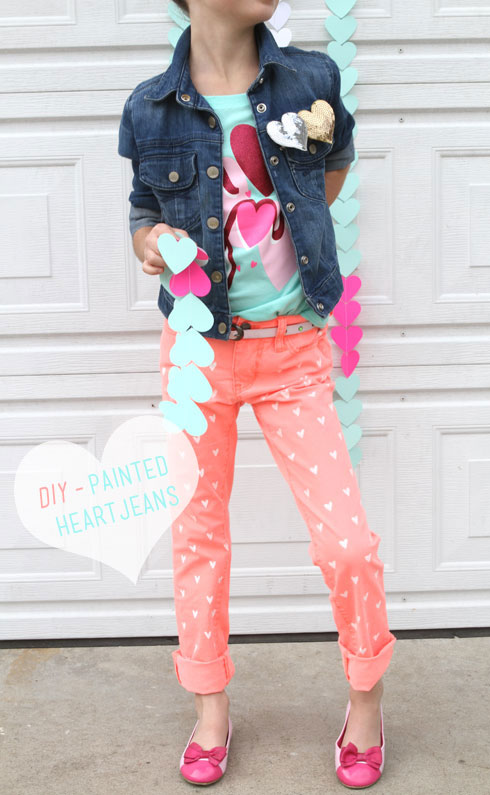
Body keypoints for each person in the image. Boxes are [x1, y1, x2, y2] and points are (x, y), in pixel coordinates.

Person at [118, 0, 397, 787]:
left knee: (346, 542)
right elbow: (143, 210)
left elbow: (332, 160)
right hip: (196, 355)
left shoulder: (310, 76)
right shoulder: (149, 105)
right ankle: (210, 709)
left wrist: (297, 228)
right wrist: (150, 243)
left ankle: (367, 700)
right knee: (198, 538)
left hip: (293, 348)